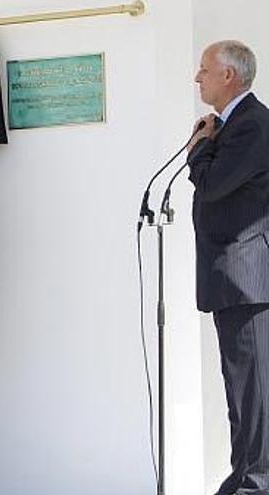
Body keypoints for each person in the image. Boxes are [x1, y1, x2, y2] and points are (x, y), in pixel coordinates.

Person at [188, 40, 269, 495]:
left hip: (248, 278)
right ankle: (243, 475)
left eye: (204, 69)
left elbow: (215, 185)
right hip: (232, 279)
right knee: (240, 387)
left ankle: (257, 482)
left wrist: (199, 147)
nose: (197, 77)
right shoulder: (233, 123)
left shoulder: (253, 124)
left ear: (229, 77)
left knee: (254, 389)